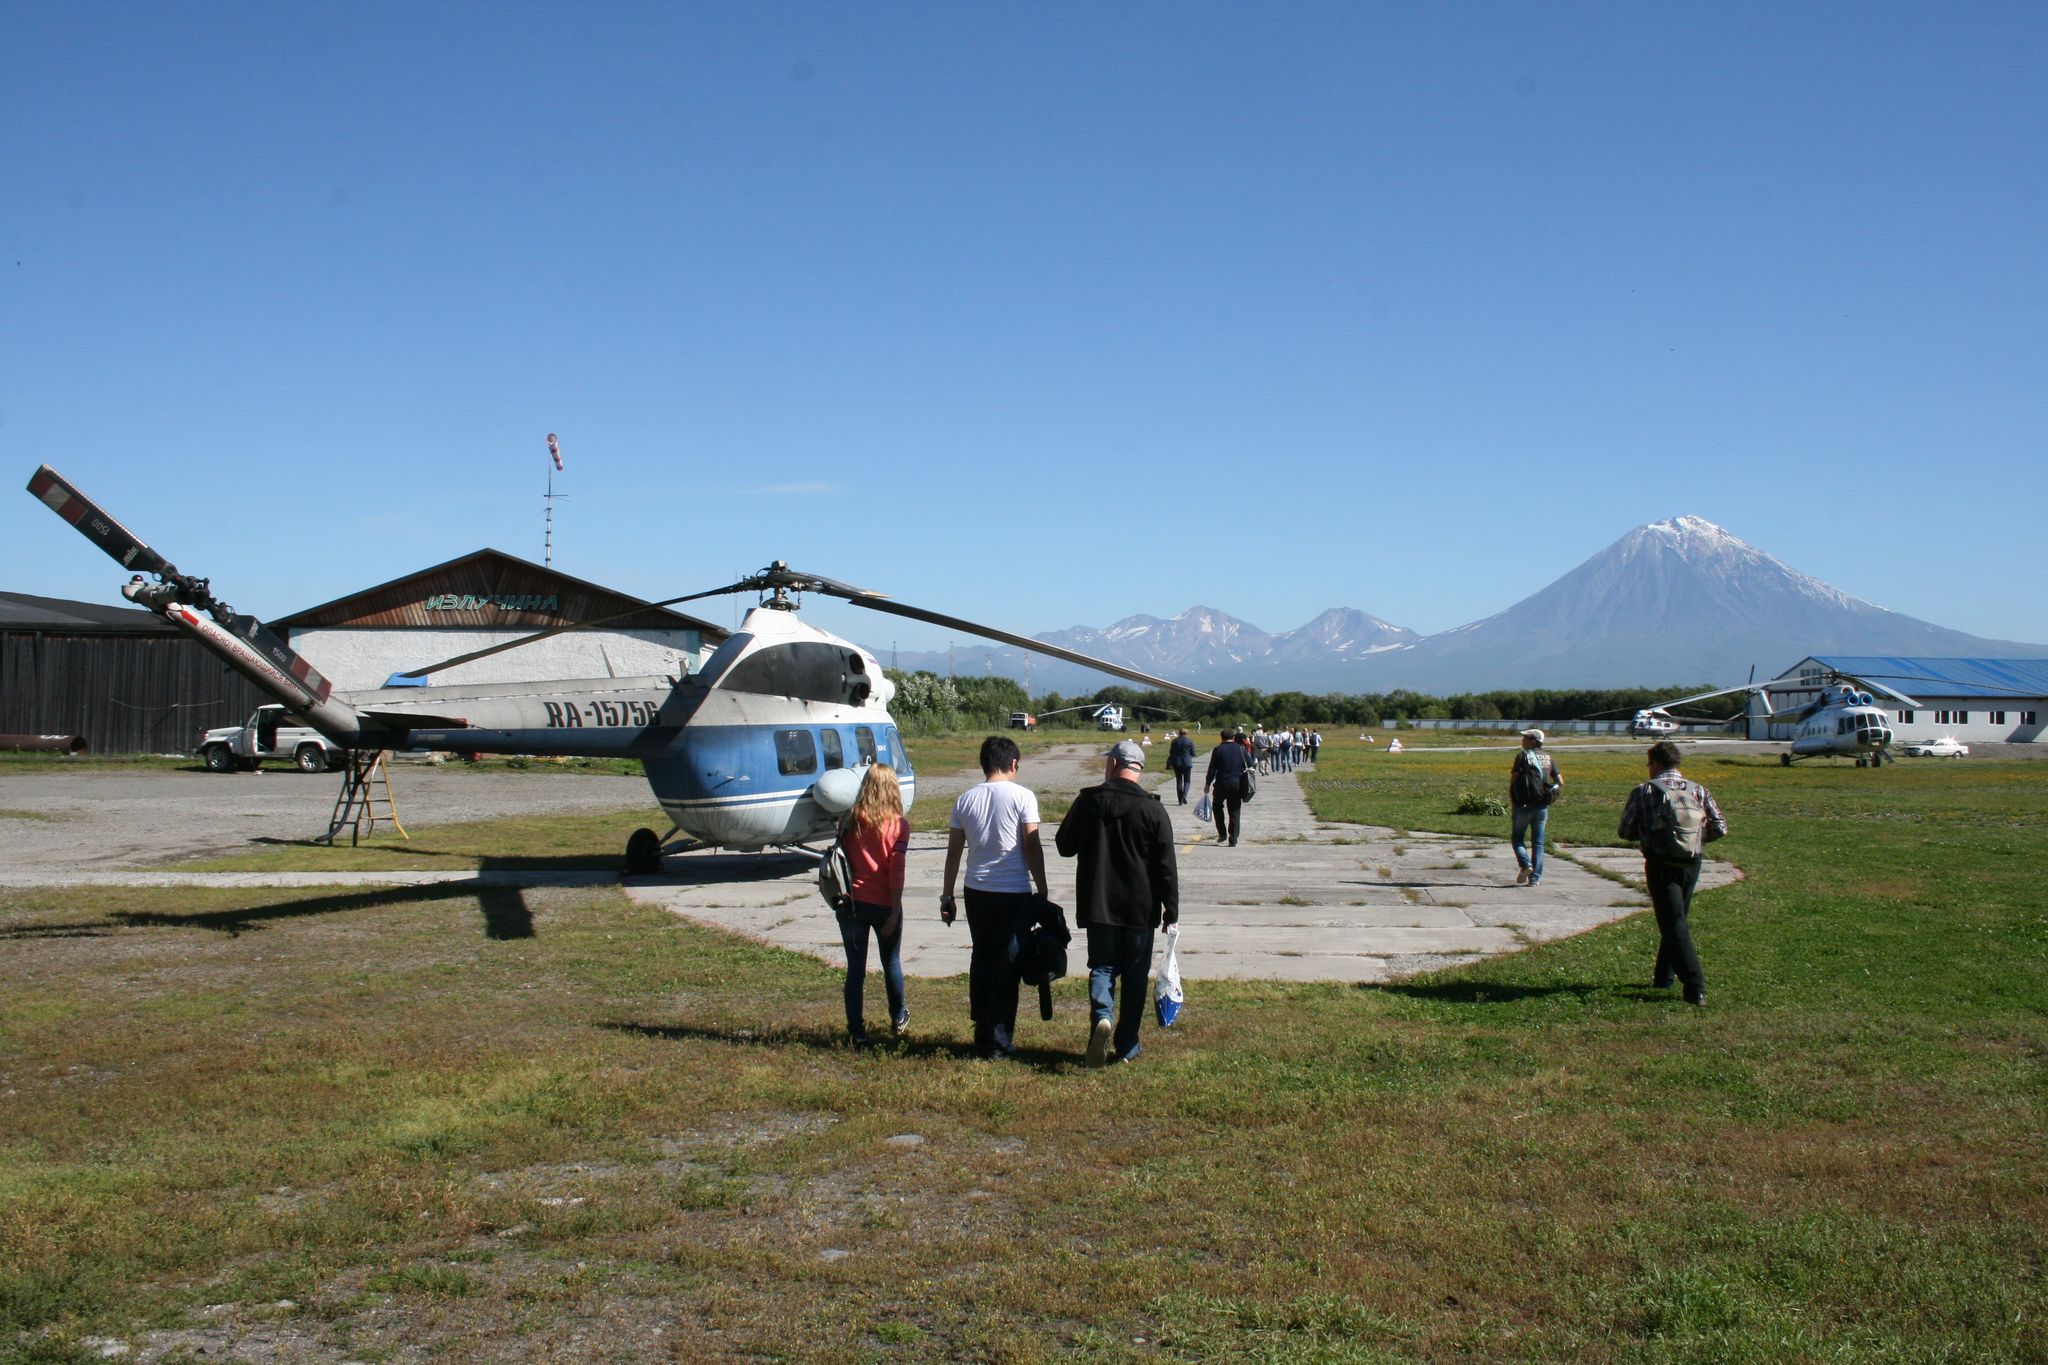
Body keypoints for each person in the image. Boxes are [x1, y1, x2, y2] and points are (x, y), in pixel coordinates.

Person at [1056, 740, 1180, 1066]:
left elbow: (1064, 846)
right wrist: (1171, 909)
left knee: (1102, 967)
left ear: (1112, 764)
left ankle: (1102, 1016)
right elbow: (1166, 865)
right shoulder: (1154, 810)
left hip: (1099, 906)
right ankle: (1127, 1045)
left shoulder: (1088, 801)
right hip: (1141, 909)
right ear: (1140, 770)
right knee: (1135, 977)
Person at [941, 735, 1049, 1057]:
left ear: (984, 764)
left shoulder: (964, 799)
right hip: (1013, 892)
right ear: (1013, 764)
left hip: (976, 891)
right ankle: (1000, 1041)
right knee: (1008, 964)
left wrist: (947, 895)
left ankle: (982, 1027)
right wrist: (1041, 888)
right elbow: (1032, 845)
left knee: (982, 957)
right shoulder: (1023, 797)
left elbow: (953, 853)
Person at [1617, 740, 1728, 1007]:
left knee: (1673, 923)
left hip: (1660, 863)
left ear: (1655, 763)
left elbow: (1625, 830)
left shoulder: (1644, 791)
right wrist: (1694, 842)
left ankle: (1694, 985)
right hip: (1691, 861)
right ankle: (1663, 977)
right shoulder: (1698, 790)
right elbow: (1719, 826)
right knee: (1676, 919)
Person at [836, 764, 909, 1046]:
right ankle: (898, 1015)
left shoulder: (849, 820)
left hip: (851, 904)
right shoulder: (899, 825)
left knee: (855, 970)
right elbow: (896, 870)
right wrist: (895, 907)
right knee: (890, 961)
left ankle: (856, 1031)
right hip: (883, 904)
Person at [1508, 728, 1563, 886]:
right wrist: (1549, 791)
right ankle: (1535, 879)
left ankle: (1526, 865)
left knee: (1518, 838)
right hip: (1542, 805)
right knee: (1538, 843)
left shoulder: (1522, 756)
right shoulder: (1548, 758)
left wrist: (1512, 795)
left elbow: (1514, 778)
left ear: (1533, 741)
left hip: (1523, 804)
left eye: (1525, 738)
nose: (1522, 740)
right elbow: (1560, 781)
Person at [1203, 727, 1253, 846]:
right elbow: (1250, 764)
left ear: (1222, 737)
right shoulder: (1241, 748)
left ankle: (1222, 833)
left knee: (1217, 806)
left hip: (1221, 784)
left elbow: (1212, 769)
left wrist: (1207, 784)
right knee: (1234, 811)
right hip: (1236, 784)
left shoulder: (1218, 750)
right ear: (1233, 737)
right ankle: (1233, 838)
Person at [1167, 727, 1198, 805]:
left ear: (1179, 733)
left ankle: (1180, 800)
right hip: (1187, 763)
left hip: (1177, 763)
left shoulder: (1174, 741)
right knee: (1187, 781)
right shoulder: (1189, 741)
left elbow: (1171, 752)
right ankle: (1184, 795)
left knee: (1179, 781)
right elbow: (1193, 753)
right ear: (1186, 733)